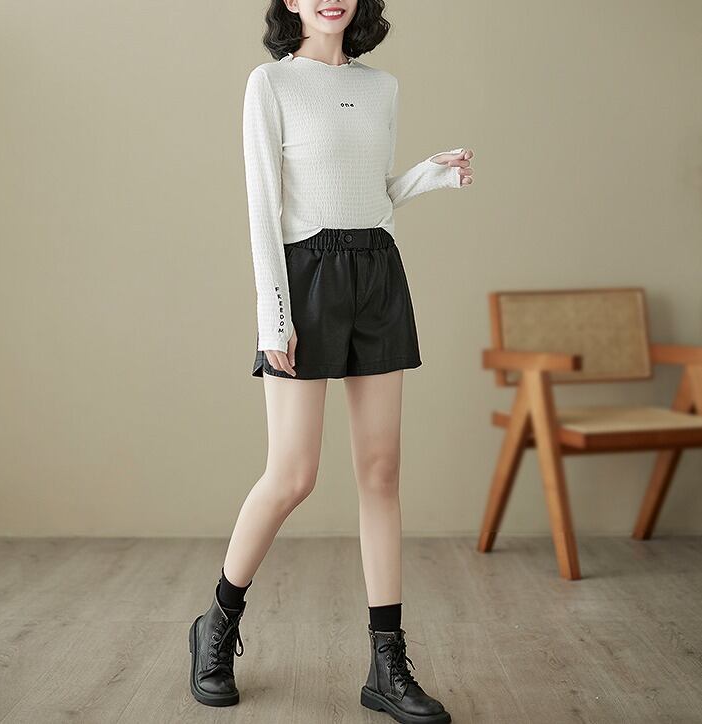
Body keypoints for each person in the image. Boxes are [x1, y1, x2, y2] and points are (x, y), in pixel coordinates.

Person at [189, 1, 474, 722]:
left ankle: (386, 664)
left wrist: (428, 175)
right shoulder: (271, 83)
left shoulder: (382, 88)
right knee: (293, 474)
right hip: (304, 275)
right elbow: (263, 207)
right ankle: (217, 622)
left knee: (381, 472)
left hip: (376, 270)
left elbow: (372, 195)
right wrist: (274, 318)